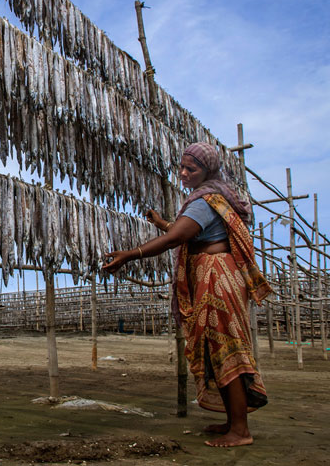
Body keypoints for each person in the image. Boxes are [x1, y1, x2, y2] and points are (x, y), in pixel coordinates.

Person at [103, 142, 272, 448]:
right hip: (219, 274)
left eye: (190, 169)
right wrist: (161, 223)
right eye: (181, 167)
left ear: (206, 170)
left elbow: (177, 238)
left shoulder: (205, 200)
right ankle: (233, 422)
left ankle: (241, 431)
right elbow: (188, 233)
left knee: (226, 349)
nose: (182, 174)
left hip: (217, 278)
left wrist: (131, 254)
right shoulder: (213, 197)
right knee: (213, 349)